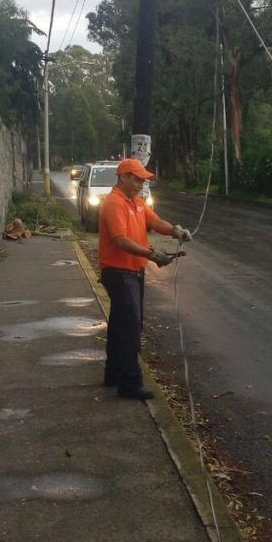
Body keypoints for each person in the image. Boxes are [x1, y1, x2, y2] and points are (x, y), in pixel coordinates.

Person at [98, 158, 192, 401]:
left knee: (121, 326)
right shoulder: (114, 203)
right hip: (119, 273)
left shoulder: (136, 202)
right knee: (129, 328)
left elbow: (154, 221)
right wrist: (151, 254)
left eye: (143, 180)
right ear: (123, 177)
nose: (141, 184)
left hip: (132, 272)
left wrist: (175, 230)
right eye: (137, 179)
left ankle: (114, 374)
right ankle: (129, 384)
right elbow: (120, 240)